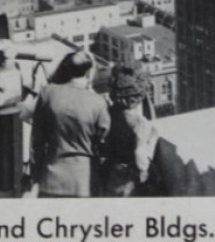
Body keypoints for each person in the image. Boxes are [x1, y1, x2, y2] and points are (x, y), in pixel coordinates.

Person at [28, 50, 110, 198]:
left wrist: (35, 178)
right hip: (83, 182)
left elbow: (36, 143)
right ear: (88, 73)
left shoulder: (48, 93)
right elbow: (103, 140)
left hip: (50, 179)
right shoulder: (97, 102)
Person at [100, 64, 157, 197]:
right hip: (129, 181)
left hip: (112, 174)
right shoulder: (139, 122)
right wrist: (153, 139)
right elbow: (141, 160)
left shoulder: (109, 113)